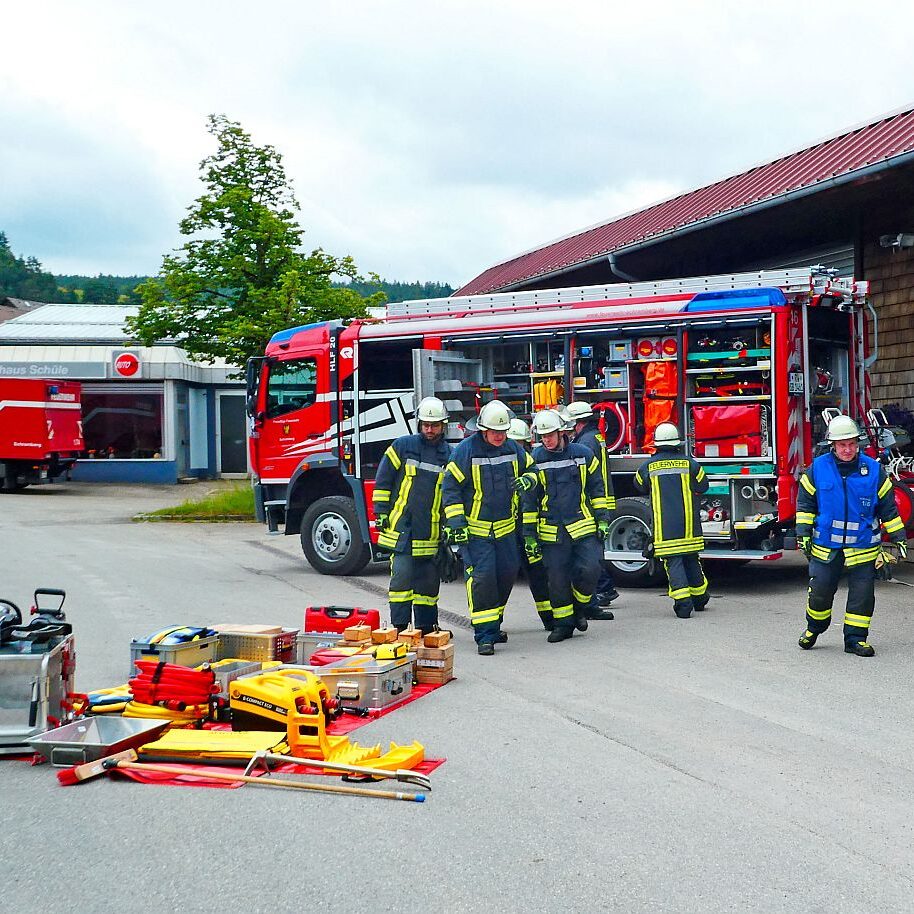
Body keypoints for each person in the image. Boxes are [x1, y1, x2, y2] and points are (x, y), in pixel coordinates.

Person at [796, 414, 907, 657]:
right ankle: (814, 628)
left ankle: (855, 640)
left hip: (863, 546)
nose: (848, 449)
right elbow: (805, 504)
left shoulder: (874, 471)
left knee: (862, 597)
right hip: (826, 546)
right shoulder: (817, 469)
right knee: (820, 593)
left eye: (852, 444)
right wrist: (802, 533)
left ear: (858, 443)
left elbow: (888, 509)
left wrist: (899, 536)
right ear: (833, 445)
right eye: (842, 444)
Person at [442, 400, 536, 655]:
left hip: (506, 530)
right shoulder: (465, 451)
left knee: (506, 575)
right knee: (482, 579)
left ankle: (493, 625)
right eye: (495, 432)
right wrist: (457, 523)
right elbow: (450, 488)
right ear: (483, 430)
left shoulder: (512, 448)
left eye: (503, 431)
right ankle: (484, 635)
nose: (500, 436)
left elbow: (532, 468)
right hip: (477, 532)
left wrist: (528, 480)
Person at [523, 409, 610, 643]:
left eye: (550, 435)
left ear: (561, 432)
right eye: (542, 436)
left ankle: (580, 608)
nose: (546, 440)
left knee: (590, 569)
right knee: (557, 580)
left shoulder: (583, 454)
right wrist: (529, 535)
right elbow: (529, 502)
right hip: (551, 531)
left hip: (582, 526)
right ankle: (563, 625)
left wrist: (603, 519)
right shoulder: (534, 460)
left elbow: (597, 488)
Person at [373, 396, 453, 634]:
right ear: (419, 424)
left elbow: (452, 493)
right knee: (401, 580)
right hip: (402, 529)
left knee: (428, 584)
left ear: (443, 425)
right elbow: (383, 480)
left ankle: (426, 628)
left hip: (430, 531)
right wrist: (380, 511)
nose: (429, 430)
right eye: (425, 424)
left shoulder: (449, 455)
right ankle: (399, 628)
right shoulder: (402, 446)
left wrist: (450, 526)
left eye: (434, 425)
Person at [633, 421, 710, 618]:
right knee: (691, 559)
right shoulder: (690, 463)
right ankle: (700, 598)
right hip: (690, 525)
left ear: (656, 444)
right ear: (677, 443)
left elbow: (638, 485)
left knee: (673, 562)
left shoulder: (648, 466)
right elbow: (703, 486)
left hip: (665, 526)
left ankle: (683, 605)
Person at [567, 400, 619, 615]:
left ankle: (604, 589)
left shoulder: (586, 442)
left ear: (577, 422)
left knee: (590, 551)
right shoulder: (595, 436)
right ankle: (605, 589)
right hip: (603, 498)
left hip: (594, 501)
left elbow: (583, 475)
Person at [508, 417, 554, 631]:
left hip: (529, 531)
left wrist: (530, 535)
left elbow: (533, 502)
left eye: (518, 444)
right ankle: (491, 623)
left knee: (538, 575)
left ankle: (549, 618)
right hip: (507, 531)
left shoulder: (531, 467)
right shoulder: (503, 465)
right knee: (503, 577)